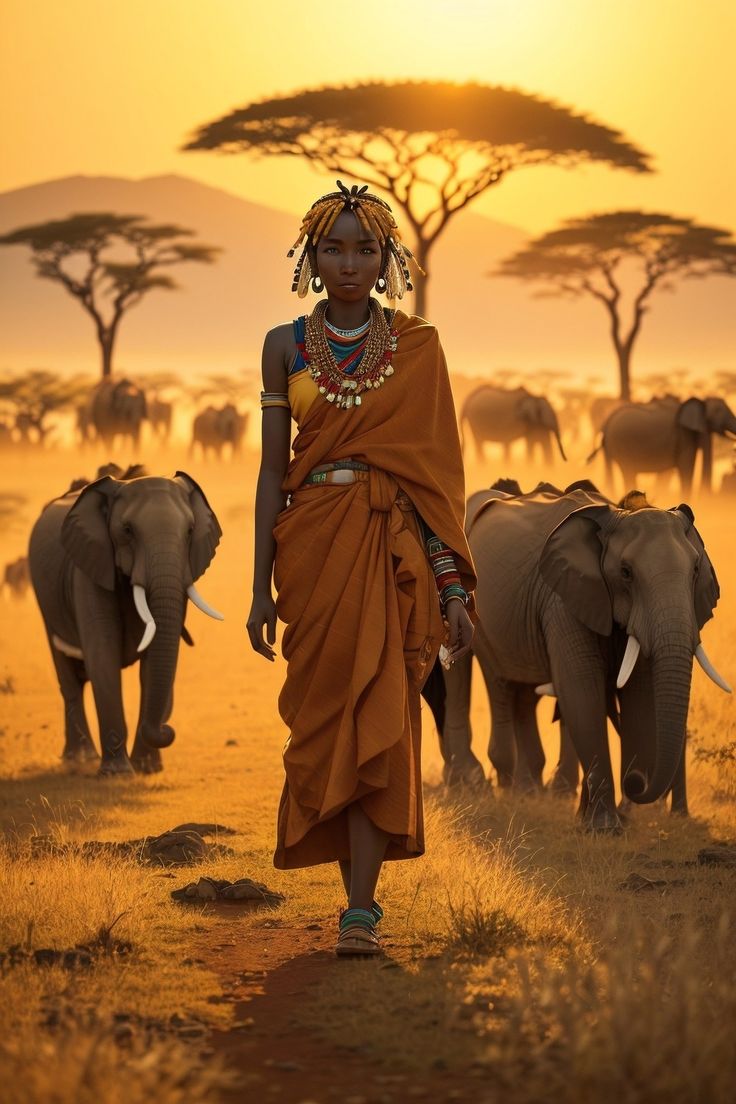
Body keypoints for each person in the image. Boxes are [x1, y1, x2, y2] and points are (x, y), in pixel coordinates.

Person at [247, 181, 476, 957]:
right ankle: (353, 895)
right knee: (324, 726)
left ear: (387, 261)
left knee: (381, 717)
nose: (348, 262)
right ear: (311, 257)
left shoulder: (419, 347)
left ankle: (360, 909)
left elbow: (434, 480)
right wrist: (254, 588)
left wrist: (451, 587)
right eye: (333, 248)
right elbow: (271, 472)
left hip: (389, 552)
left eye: (364, 248)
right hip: (308, 550)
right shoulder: (284, 344)